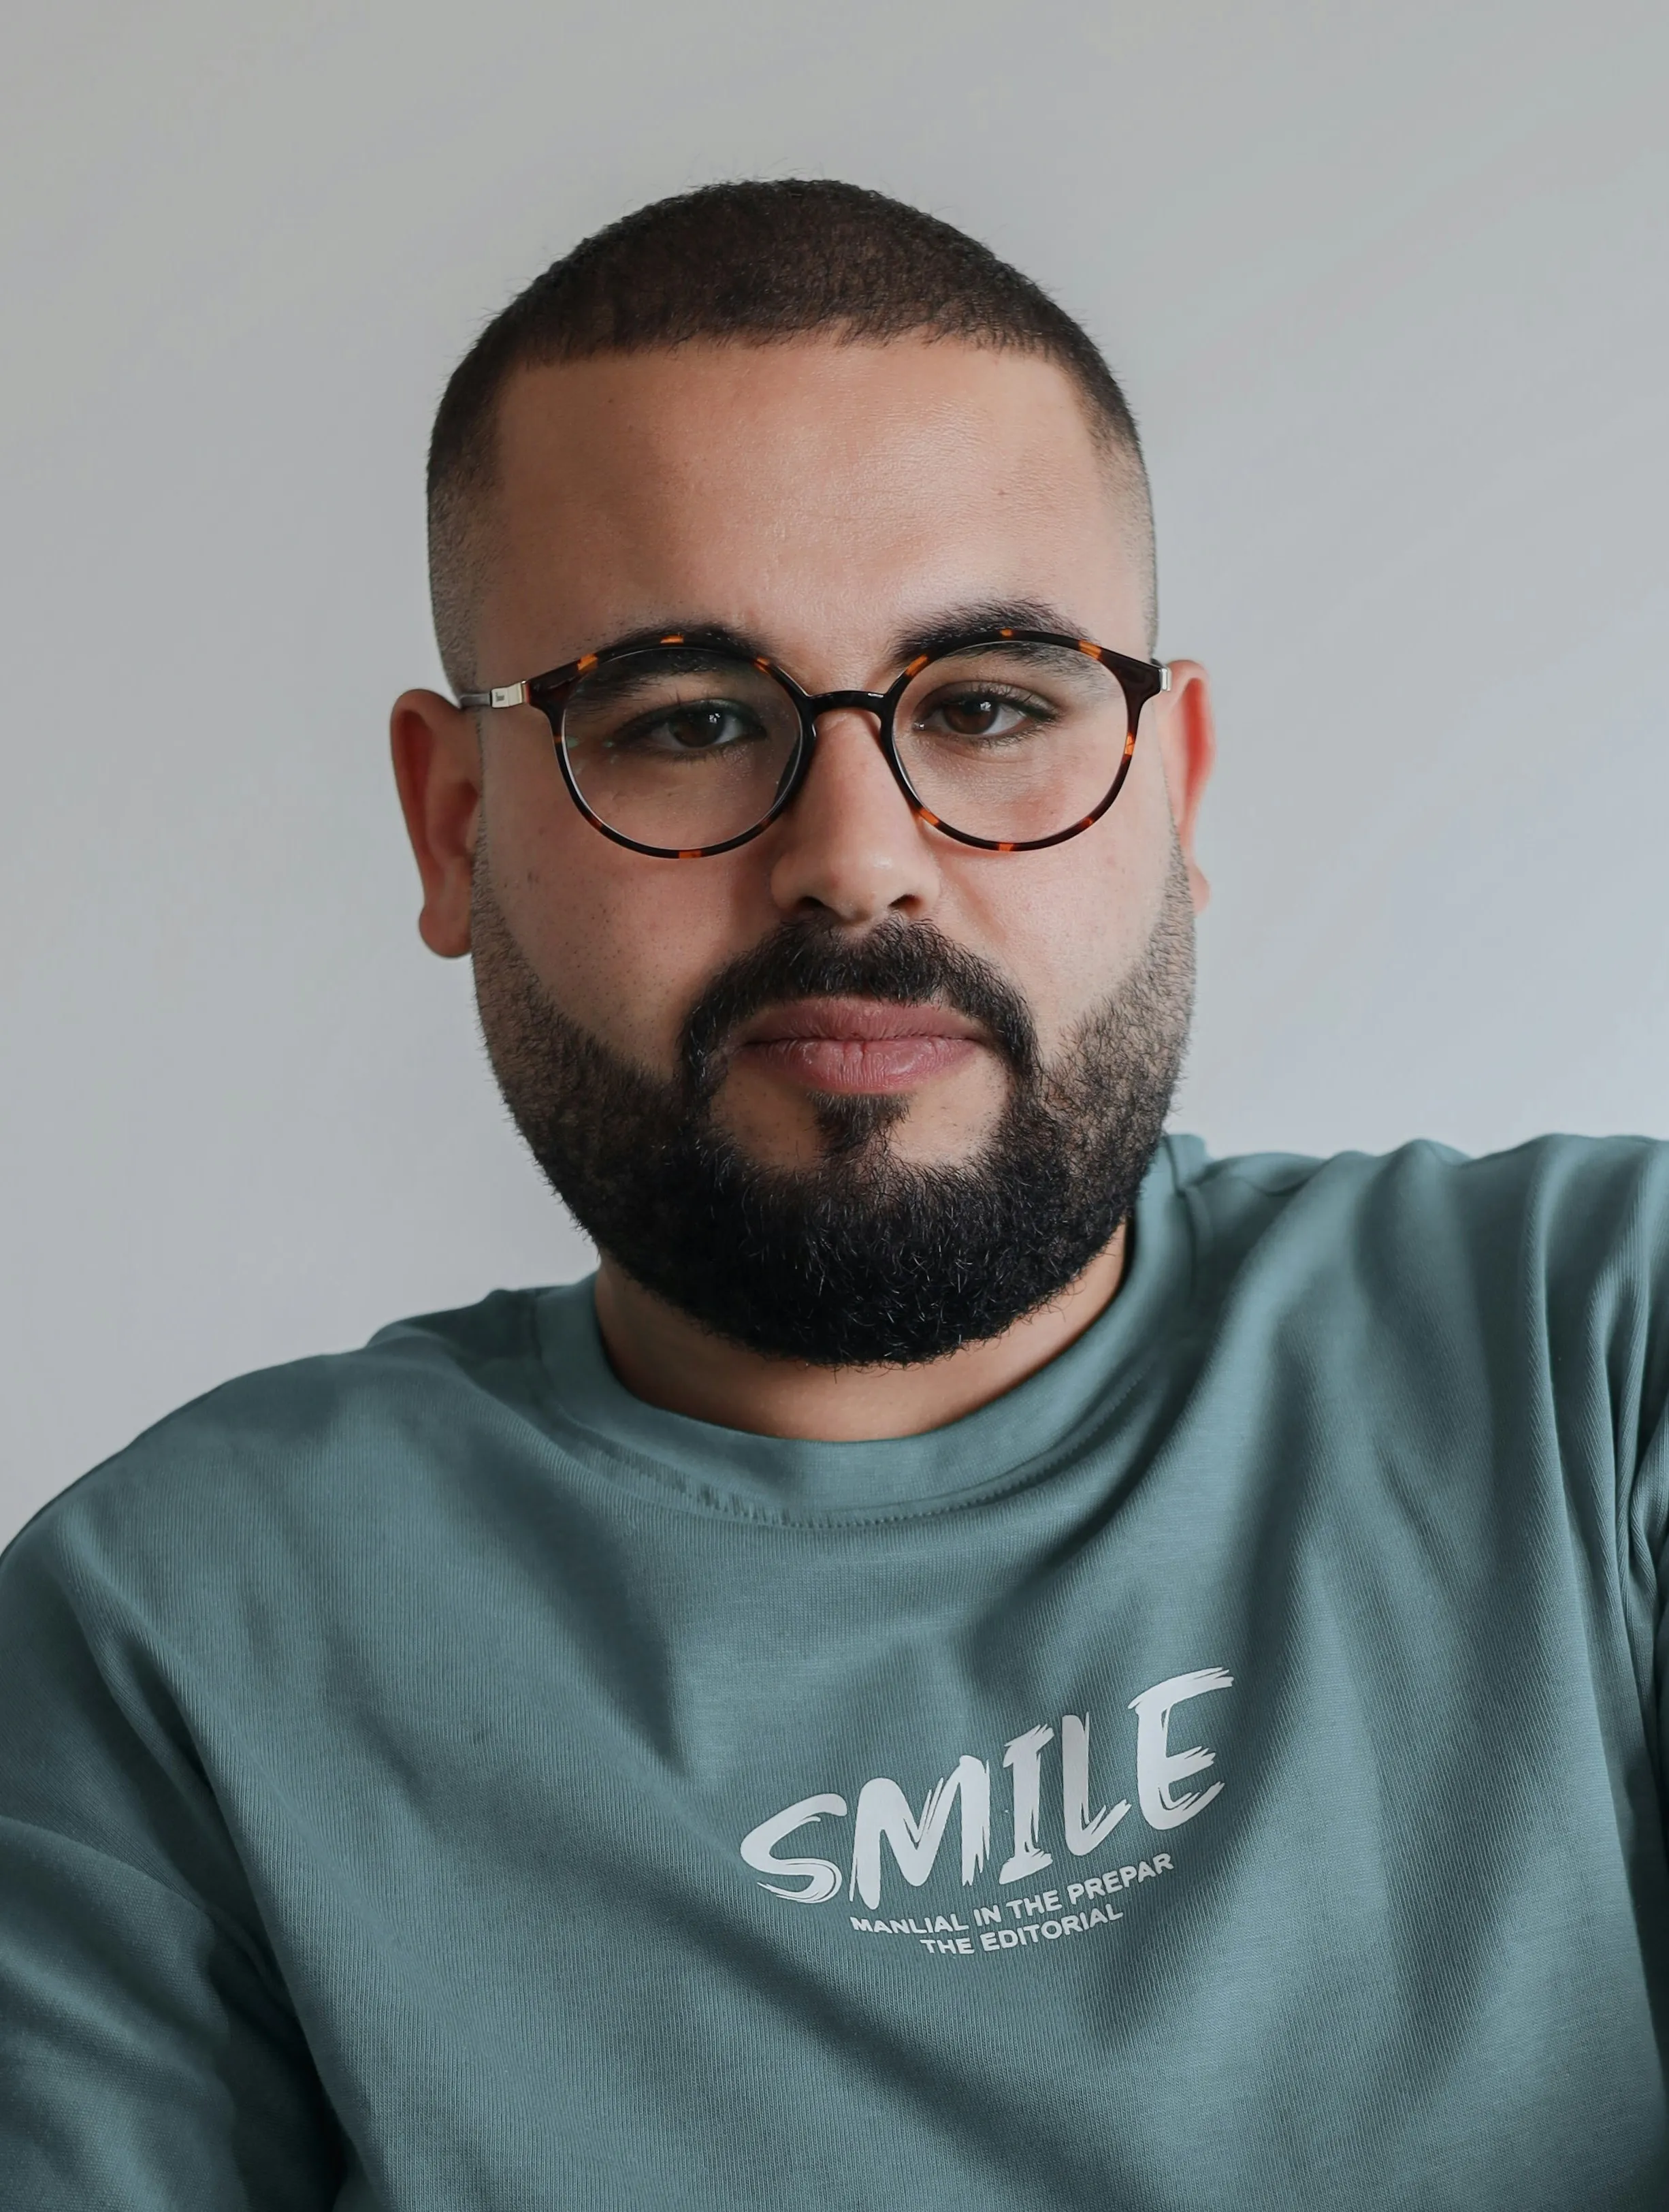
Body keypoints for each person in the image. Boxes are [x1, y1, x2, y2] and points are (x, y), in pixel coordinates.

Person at [1, 178, 1664, 2211]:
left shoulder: (1604, 1350)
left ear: (1174, 782)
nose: (857, 859)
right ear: (452, 826)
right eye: (690, 723)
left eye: (988, 704)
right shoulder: (169, 1639)